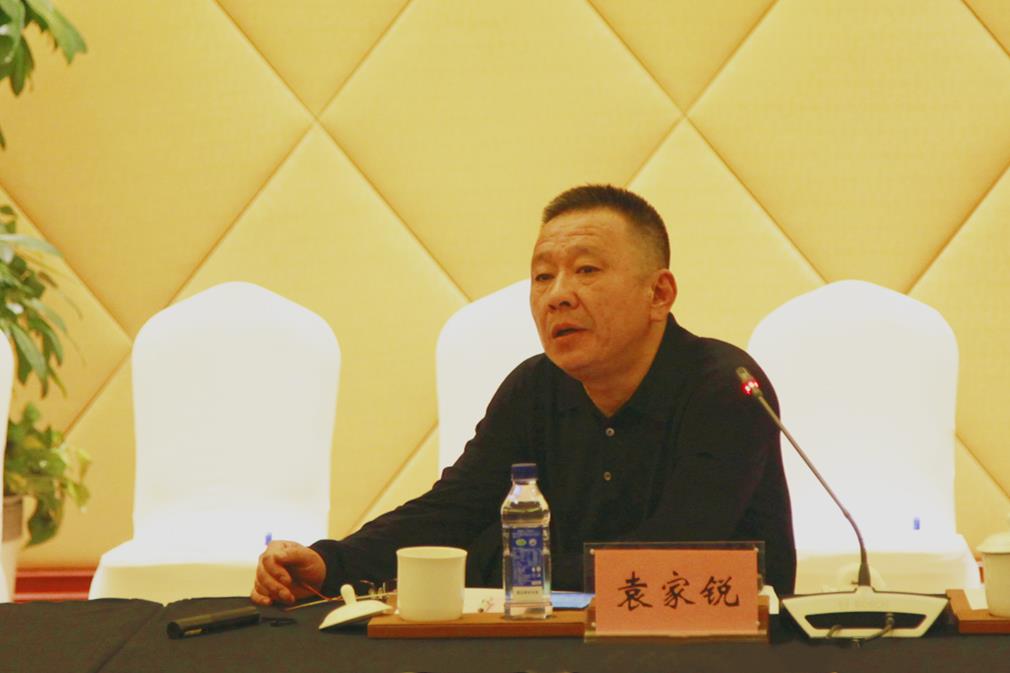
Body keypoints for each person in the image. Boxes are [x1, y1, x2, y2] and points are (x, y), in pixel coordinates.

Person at [251, 184, 796, 606]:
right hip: (559, 641)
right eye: (541, 277)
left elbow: (670, 559)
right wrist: (332, 564)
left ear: (659, 293)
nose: (558, 295)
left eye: (586, 270)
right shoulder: (535, 388)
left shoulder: (724, 388)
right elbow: (454, 509)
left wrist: (494, 563)